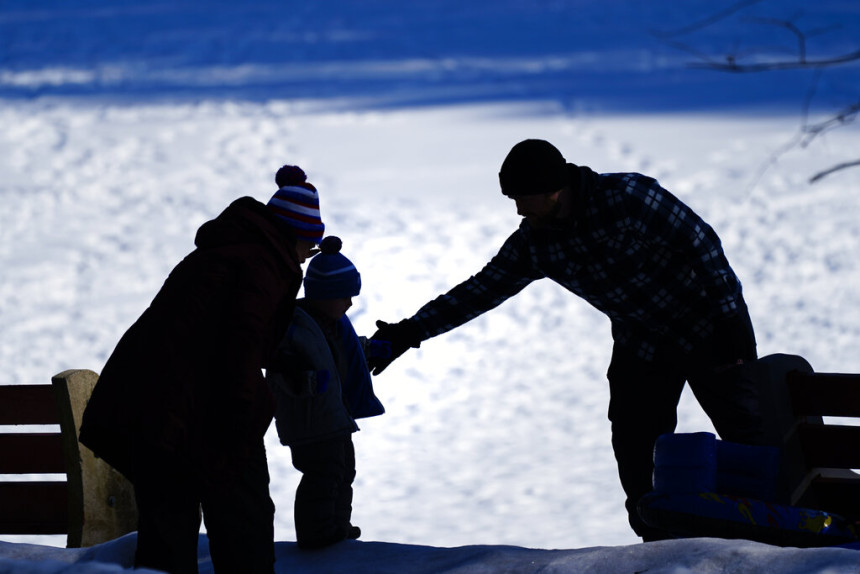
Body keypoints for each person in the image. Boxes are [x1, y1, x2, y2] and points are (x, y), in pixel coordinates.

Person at [368, 139, 762, 541]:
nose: (519, 210)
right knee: (633, 437)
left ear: (555, 189)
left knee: (746, 430)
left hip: (707, 327)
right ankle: (657, 538)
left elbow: (703, 244)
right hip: (641, 341)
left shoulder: (629, 198)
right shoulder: (536, 243)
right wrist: (409, 331)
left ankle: (775, 528)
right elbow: (481, 290)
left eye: (524, 198)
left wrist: (732, 325)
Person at [79, 165, 325, 573]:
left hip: (152, 409)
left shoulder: (227, 251)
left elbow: (209, 330)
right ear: (298, 236)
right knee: (244, 528)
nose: (306, 257)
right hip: (194, 412)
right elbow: (241, 338)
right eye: (310, 248)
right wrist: (250, 409)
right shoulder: (262, 265)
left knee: (167, 534)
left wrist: (276, 360)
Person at [266, 236, 386, 550]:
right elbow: (279, 362)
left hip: (332, 416)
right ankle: (316, 532)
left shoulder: (335, 324)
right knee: (323, 473)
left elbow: (342, 353)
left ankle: (337, 526)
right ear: (323, 294)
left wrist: (370, 348)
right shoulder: (293, 324)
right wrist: (298, 378)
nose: (349, 302)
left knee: (344, 469)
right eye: (344, 295)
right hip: (310, 419)